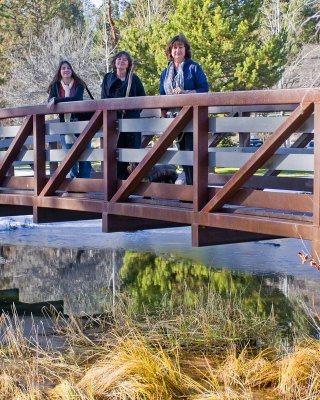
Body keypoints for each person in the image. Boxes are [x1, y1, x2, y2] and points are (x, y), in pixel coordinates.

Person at [160, 34, 209, 185]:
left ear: (185, 49)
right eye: (174, 48)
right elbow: (162, 95)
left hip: (191, 117)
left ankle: (196, 189)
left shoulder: (194, 67)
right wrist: (163, 118)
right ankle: (188, 188)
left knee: (193, 153)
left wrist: (185, 93)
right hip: (173, 119)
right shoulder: (165, 72)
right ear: (170, 51)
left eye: (180, 47)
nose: (177, 50)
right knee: (182, 154)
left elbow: (204, 89)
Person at [101, 50, 145, 180]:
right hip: (114, 122)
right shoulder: (108, 78)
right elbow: (103, 98)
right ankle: (117, 187)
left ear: (129, 64)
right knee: (116, 154)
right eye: (119, 58)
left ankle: (132, 185)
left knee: (132, 155)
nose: (121, 61)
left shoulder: (134, 79)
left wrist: (132, 112)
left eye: (125, 59)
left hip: (132, 123)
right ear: (115, 62)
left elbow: (142, 99)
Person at [47, 60, 92, 178]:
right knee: (69, 158)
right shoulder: (55, 86)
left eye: (68, 68)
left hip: (82, 125)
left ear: (72, 70)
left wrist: (57, 100)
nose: (66, 70)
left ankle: (84, 185)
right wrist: (54, 99)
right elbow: (49, 101)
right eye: (63, 68)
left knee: (85, 157)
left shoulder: (79, 84)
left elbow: (76, 98)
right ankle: (73, 186)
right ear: (60, 71)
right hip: (65, 127)